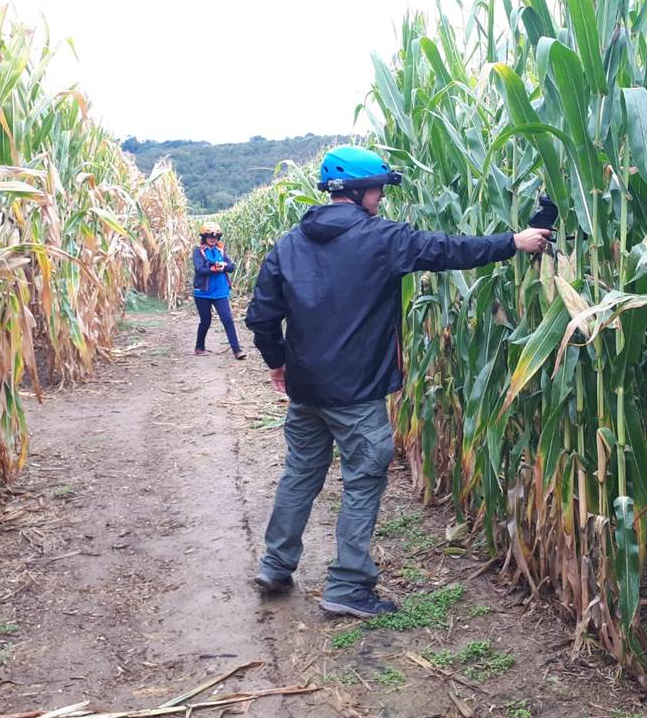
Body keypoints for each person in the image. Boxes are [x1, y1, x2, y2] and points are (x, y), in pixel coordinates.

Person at [245, 145, 550, 617]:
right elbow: (449, 250)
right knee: (363, 479)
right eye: (379, 190)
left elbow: (261, 316)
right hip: (357, 393)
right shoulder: (380, 239)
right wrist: (513, 241)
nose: (381, 199)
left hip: (307, 390)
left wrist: (278, 362)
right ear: (359, 190)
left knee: (300, 473)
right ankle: (348, 587)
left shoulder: (289, 243)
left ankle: (275, 564)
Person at [192, 221, 246, 359]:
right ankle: (199, 347)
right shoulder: (198, 251)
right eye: (209, 236)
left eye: (215, 237)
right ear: (204, 237)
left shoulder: (220, 249)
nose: (213, 239)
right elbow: (200, 269)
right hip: (203, 293)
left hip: (220, 292)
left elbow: (231, 267)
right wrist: (213, 269)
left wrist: (224, 266)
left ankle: (237, 350)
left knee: (227, 319)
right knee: (206, 320)